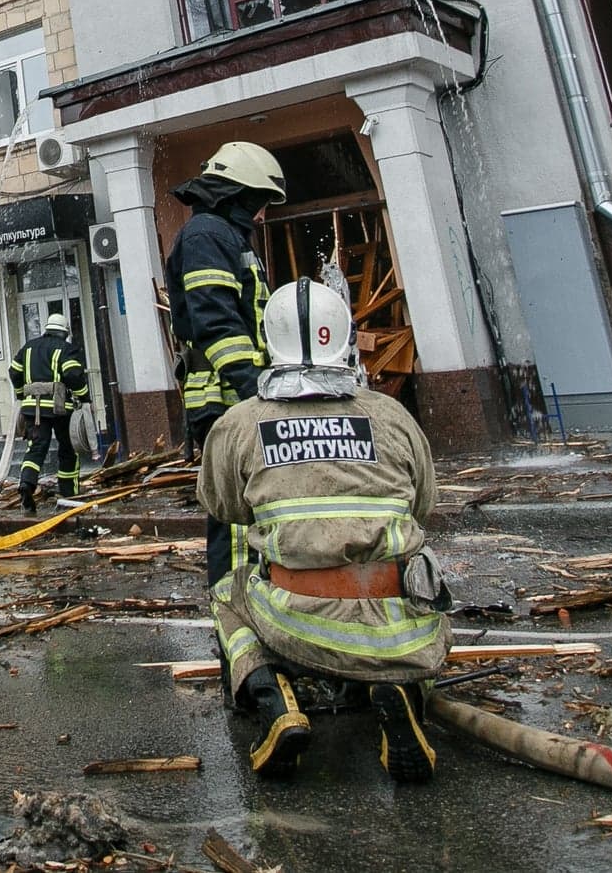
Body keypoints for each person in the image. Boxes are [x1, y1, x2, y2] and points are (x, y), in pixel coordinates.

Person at [198, 274, 449, 781]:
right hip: (400, 623)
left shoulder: (240, 423)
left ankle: (274, 699)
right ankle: (403, 688)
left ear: (270, 339)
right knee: (421, 594)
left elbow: (223, 506)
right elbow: (422, 506)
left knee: (228, 593)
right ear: (346, 335)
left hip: (299, 619)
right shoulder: (392, 416)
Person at [164, 142, 287, 617]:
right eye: (256, 203)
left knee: (253, 510)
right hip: (226, 398)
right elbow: (217, 322)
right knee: (235, 520)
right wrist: (255, 387)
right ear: (233, 193)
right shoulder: (206, 236)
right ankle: (236, 618)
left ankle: (258, 606)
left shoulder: (223, 237)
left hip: (238, 396)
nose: (259, 216)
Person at [8, 313, 90, 513]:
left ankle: (26, 484)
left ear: (47, 329)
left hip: (33, 408)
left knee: (36, 447)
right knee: (68, 448)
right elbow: (72, 374)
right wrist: (84, 397)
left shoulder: (28, 347)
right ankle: (68, 492)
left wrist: (21, 395)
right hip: (59, 407)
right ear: (64, 333)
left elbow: (14, 372)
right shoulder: (66, 348)